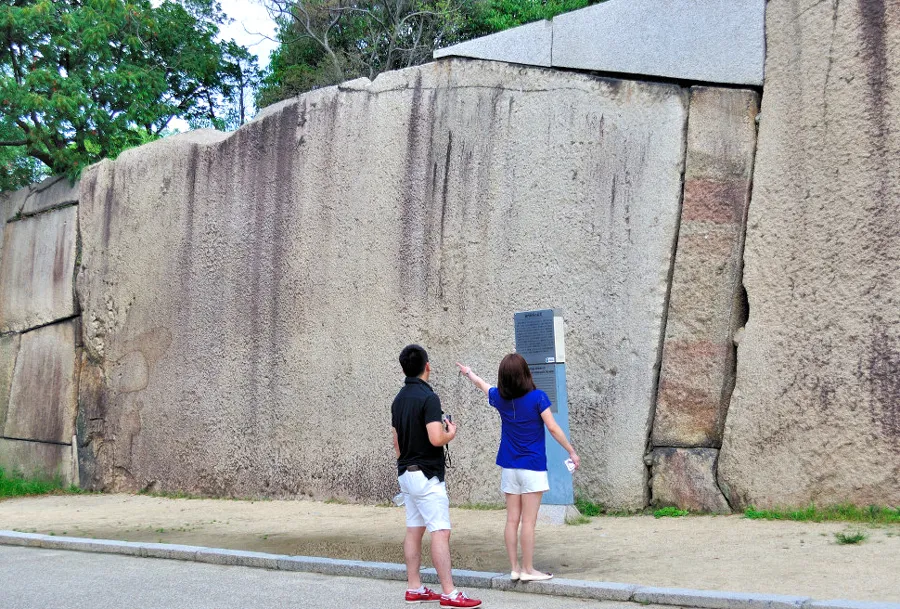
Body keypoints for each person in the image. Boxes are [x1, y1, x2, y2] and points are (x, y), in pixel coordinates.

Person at [456, 354, 580, 583]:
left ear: (503, 377)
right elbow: (553, 428)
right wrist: (571, 451)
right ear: (525, 373)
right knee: (529, 522)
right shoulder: (538, 398)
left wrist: (468, 372)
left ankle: (514, 568)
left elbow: (482, 385)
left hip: (509, 467)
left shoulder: (499, 399)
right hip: (532, 466)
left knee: (512, 520)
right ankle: (528, 569)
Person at [392, 345, 482, 608]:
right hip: (428, 477)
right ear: (427, 366)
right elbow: (435, 437)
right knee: (440, 532)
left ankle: (414, 587)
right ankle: (450, 593)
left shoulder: (398, 400)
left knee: (414, 530)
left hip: (406, 475)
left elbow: (396, 443)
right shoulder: (428, 398)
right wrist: (450, 433)